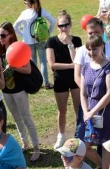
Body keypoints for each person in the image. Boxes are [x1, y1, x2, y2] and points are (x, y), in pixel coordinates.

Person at [0, 22, 41, 161]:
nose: (0, 38)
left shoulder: (18, 48)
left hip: (19, 90)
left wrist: (13, 67)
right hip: (6, 91)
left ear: (11, 35)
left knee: (26, 117)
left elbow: (27, 69)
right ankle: (25, 143)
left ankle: (36, 147)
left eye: (3, 35)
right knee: (16, 119)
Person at [80, 34, 110, 169]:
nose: (91, 53)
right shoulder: (85, 67)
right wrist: (86, 111)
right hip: (90, 112)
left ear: (102, 47)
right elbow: (83, 93)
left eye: (94, 49)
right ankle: (103, 166)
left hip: (105, 111)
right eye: (88, 49)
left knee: (106, 144)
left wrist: (93, 112)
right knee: (84, 147)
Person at [46, 10, 82, 149]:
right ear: (57, 27)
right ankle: (61, 135)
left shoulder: (77, 40)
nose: (64, 28)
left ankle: (80, 134)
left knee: (78, 109)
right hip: (60, 79)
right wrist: (71, 66)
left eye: (66, 25)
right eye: (61, 26)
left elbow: (77, 60)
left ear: (70, 25)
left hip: (75, 79)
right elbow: (52, 65)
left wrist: (70, 44)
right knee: (62, 110)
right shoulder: (52, 41)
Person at [14, 0, 56, 89]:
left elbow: (15, 26)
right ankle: (46, 83)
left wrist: (23, 34)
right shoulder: (41, 10)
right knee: (43, 62)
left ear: (29, 3)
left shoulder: (24, 13)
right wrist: (48, 32)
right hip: (40, 40)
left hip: (28, 42)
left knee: (33, 62)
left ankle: (35, 82)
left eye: (25, 2)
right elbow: (53, 21)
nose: (25, 4)